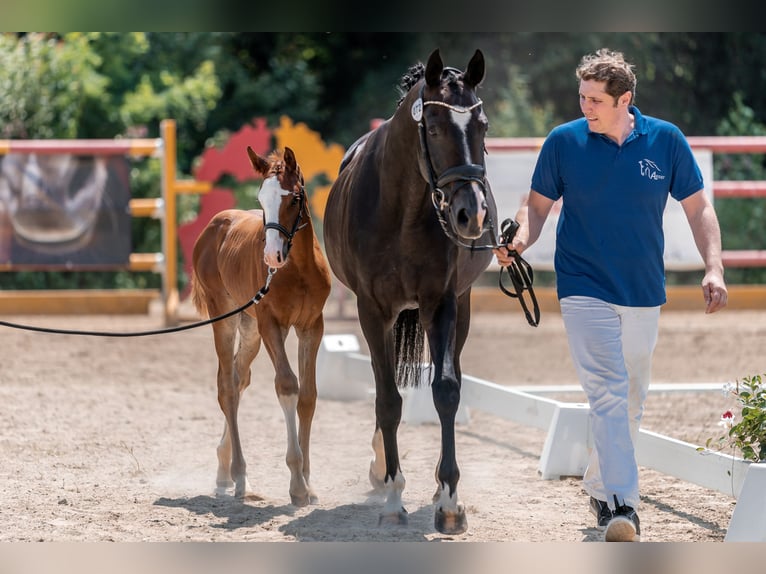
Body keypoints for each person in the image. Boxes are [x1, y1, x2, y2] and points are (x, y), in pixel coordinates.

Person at [494, 48, 728, 542]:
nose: (585, 108)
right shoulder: (564, 142)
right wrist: (519, 240)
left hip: (642, 289)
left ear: (626, 99)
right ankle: (622, 507)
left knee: (632, 397)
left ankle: (600, 484)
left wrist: (714, 266)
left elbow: (697, 208)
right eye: (582, 97)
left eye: (596, 100)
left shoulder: (665, 140)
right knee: (608, 391)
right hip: (583, 286)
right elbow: (537, 207)